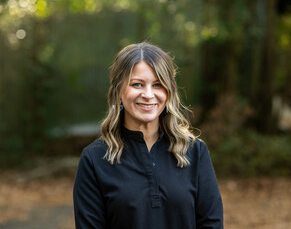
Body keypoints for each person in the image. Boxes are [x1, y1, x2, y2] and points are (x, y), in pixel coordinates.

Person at [73, 42, 223, 229]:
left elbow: (212, 223)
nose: (148, 94)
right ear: (119, 91)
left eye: (158, 85)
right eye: (137, 84)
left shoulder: (195, 152)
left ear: (169, 92)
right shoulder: (94, 159)